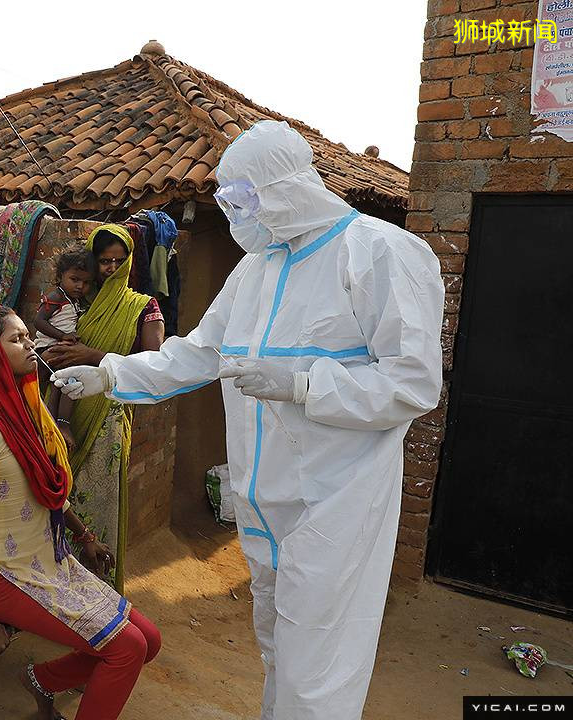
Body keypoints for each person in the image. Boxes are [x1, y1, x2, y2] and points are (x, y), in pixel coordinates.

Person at [52, 120, 444, 720]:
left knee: (319, 664)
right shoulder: (257, 268)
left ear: (283, 189)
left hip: (333, 500)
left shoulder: (379, 253)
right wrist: (111, 374)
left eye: (241, 200)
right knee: (278, 648)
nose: (234, 216)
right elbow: (201, 352)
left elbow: (412, 384)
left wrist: (304, 384)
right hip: (262, 502)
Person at [0, 306, 160, 720]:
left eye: (28, 335)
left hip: (49, 559)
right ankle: (45, 683)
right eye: (16, 338)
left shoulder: (28, 412)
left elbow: (46, 487)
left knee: (150, 640)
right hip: (5, 573)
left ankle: (43, 680)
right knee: (128, 649)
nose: (29, 343)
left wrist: (84, 535)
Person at [42, 225, 164, 591]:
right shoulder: (79, 300)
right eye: (103, 261)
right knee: (56, 496)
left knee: (96, 501)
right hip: (67, 408)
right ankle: (55, 592)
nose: (111, 268)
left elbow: (152, 365)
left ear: (129, 262)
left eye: (118, 260)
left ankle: (95, 592)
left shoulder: (143, 306)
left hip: (106, 418)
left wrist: (94, 357)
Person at [33, 246, 92, 437]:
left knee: (61, 384)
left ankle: (54, 423)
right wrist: (62, 336)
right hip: (48, 347)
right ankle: (62, 424)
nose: (80, 286)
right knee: (67, 380)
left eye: (85, 282)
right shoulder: (56, 297)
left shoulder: (74, 300)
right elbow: (38, 321)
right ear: (60, 277)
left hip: (60, 346)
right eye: (75, 280)